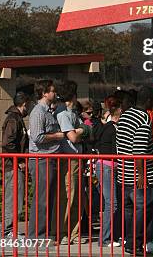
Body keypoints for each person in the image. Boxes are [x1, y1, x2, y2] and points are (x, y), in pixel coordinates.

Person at [116, 86, 153, 256]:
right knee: (141, 210)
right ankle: (135, 244)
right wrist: (141, 175)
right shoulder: (143, 119)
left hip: (124, 174)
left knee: (129, 210)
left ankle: (129, 242)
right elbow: (139, 151)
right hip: (137, 175)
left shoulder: (124, 116)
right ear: (148, 101)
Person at [28, 80, 65, 240]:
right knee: (42, 199)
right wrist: (57, 136)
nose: (55, 93)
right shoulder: (39, 112)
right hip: (42, 159)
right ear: (44, 93)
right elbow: (37, 137)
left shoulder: (49, 111)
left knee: (48, 198)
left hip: (50, 158)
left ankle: (44, 234)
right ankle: (37, 235)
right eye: (52, 91)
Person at [55, 80, 88, 245]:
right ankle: (63, 233)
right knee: (69, 196)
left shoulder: (72, 112)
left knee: (76, 197)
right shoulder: (63, 114)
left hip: (76, 159)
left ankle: (73, 232)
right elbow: (73, 137)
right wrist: (82, 130)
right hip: (70, 159)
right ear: (73, 96)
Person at [1, 92, 30, 239]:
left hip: (14, 165)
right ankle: (8, 231)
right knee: (13, 199)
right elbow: (7, 143)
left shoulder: (17, 118)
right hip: (12, 166)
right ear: (24, 104)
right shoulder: (13, 119)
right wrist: (18, 160)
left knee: (16, 198)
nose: (29, 109)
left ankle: (10, 229)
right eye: (28, 105)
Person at [95, 97, 121, 247]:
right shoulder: (113, 129)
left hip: (104, 166)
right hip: (107, 166)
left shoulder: (106, 127)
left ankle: (108, 237)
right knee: (112, 204)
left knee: (111, 203)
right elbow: (114, 150)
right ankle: (104, 239)